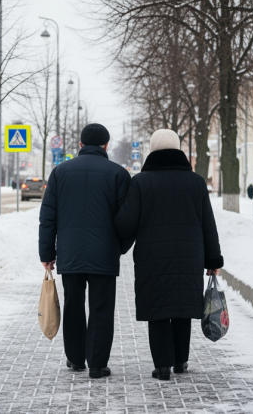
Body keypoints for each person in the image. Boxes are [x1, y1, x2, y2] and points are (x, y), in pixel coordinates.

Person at [114, 129, 223, 381]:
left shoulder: (141, 182)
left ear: (152, 150)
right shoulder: (196, 182)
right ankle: (180, 361)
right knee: (182, 306)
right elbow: (208, 222)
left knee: (158, 308)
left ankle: (162, 366)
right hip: (189, 255)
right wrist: (213, 259)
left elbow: (125, 224)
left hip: (152, 256)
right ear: (178, 149)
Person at [38, 123, 132, 379]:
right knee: (102, 307)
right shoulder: (118, 174)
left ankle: (76, 359)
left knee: (74, 304)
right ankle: (98, 364)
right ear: (106, 144)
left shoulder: (60, 173)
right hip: (104, 253)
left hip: (71, 253)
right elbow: (128, 219)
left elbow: (48, 217)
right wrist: (119, 247)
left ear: (80, 144)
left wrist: (47, 253)